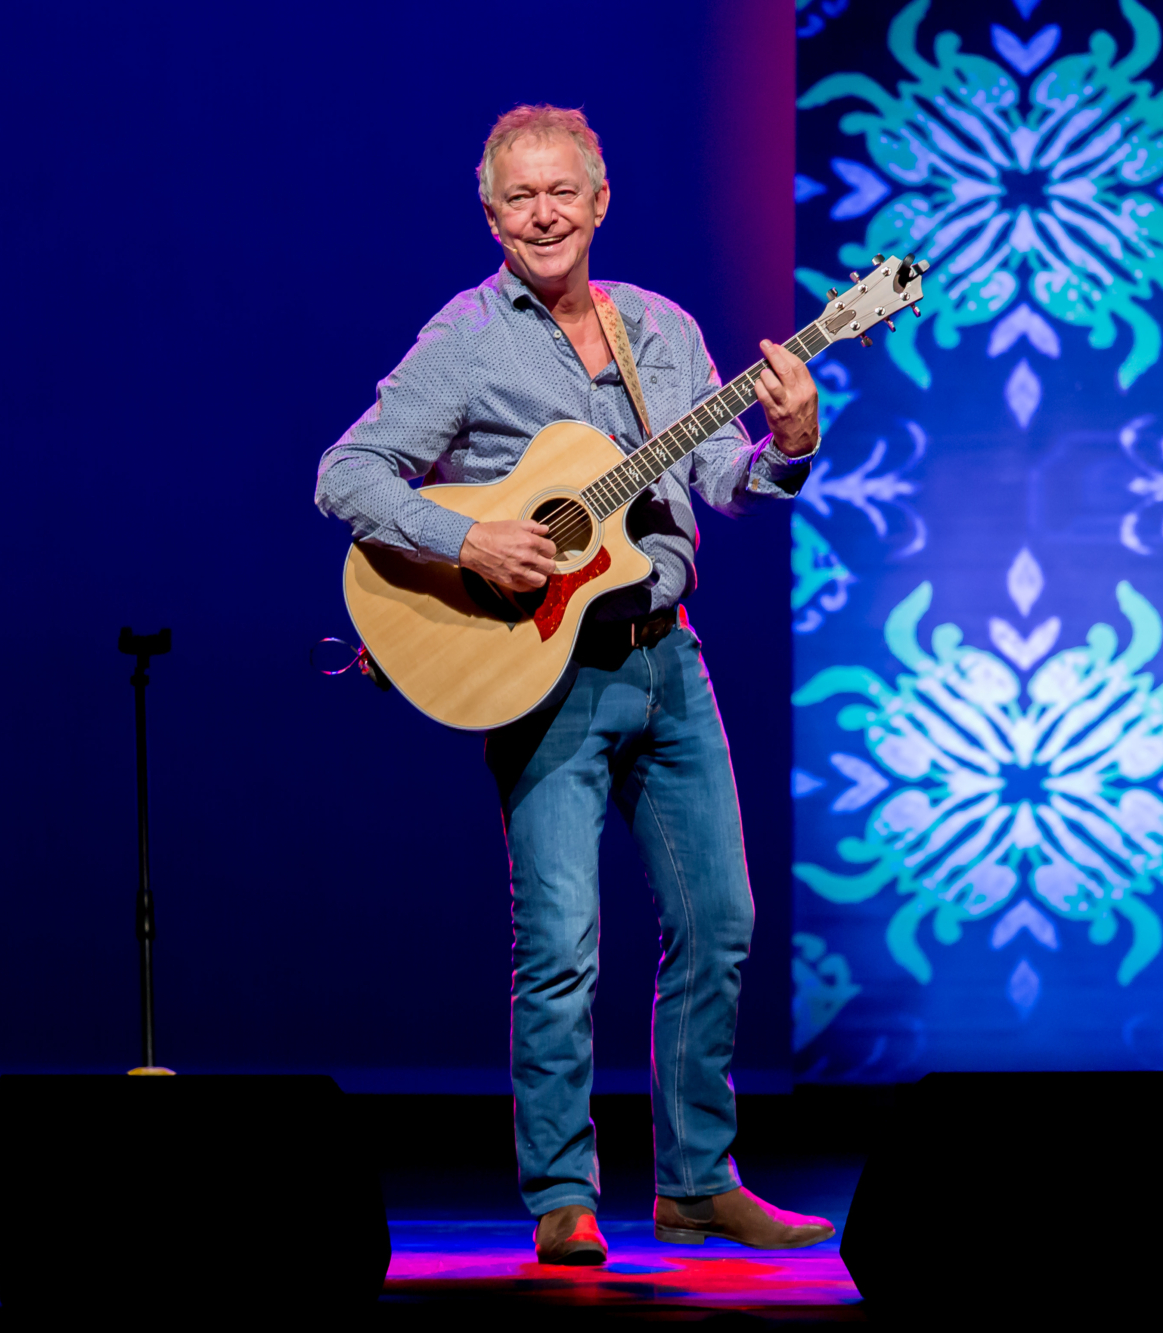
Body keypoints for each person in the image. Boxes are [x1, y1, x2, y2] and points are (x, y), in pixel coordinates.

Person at [314, 104, 833, 1265]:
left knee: (722, 923)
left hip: (665, 656)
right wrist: (467, 543)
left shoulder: (660, 330)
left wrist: (788, 445)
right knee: (560, 940)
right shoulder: (465, 337)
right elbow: (344, 471)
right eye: (518, 197)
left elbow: (721, 480)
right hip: (541, 675)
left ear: (600, 203)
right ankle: (561, 1192)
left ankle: (698, 1182)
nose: (543, 213)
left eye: (563, 192)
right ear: (491, 216)